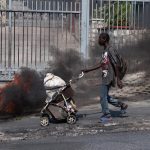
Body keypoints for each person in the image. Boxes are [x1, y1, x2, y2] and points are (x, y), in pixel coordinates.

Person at [82, 32, 128, 123]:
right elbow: (101, 63)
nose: (98, 40)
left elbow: (116, 64)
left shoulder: (110, 50)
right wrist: (88, 70)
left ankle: (107, 115)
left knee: (102, 96)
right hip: (105, 75)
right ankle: (121, 105)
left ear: (104, 40)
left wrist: (118, 79)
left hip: (109, 76)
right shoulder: (105, 50)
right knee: (105, 96)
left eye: (100, 38)